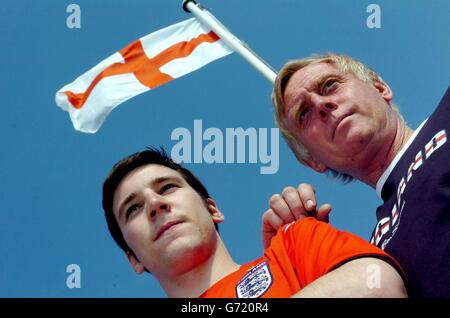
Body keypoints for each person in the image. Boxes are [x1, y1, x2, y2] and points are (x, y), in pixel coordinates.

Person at [102, 147, 406, 298]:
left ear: (213, 209)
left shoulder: (292, 243)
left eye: (167, 187)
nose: (155, 205)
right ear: (133, 260)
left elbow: (379, 285)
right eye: (133, 209)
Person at [270, 53, 450, 298]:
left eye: (330, 85)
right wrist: (301, 260)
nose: (322, 105)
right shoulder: (374, 260)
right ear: (312, 161)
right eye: (304, 113)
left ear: (379, 87)